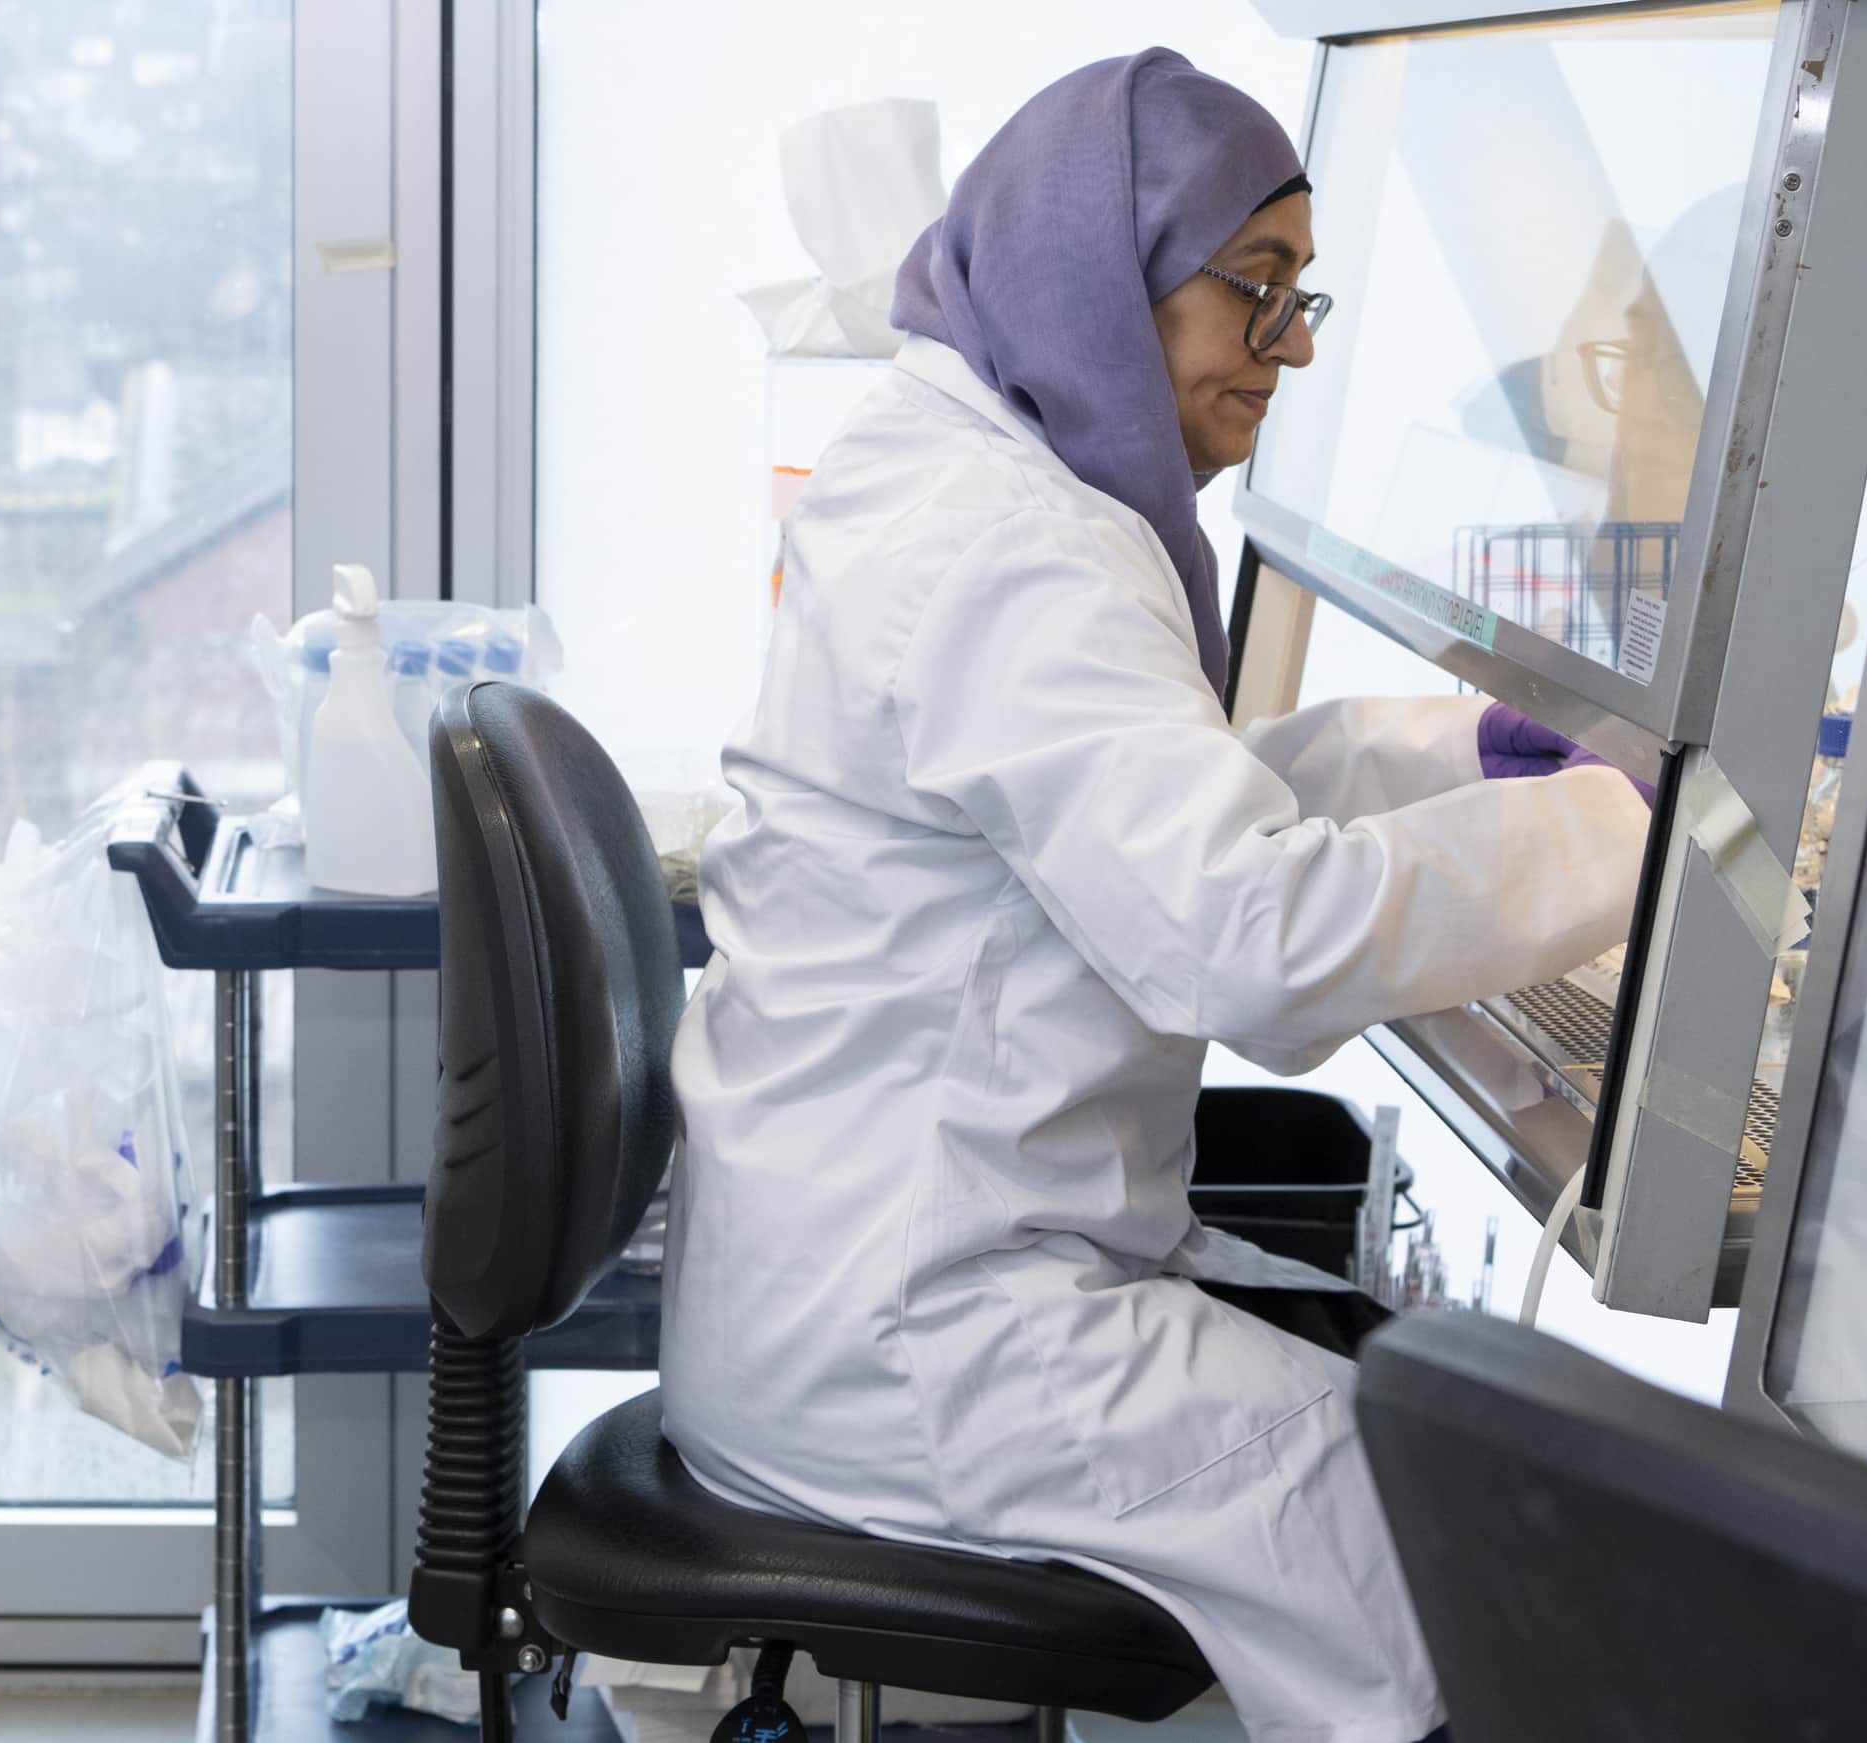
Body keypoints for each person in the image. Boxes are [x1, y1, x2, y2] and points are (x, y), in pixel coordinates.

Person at [658, 50, 1648, 1743]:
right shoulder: (1012, 542)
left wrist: (1469, 754)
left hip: (870, 1271)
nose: (1299, 346)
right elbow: (1243, 935)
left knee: (1394, 1429)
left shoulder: (976, 459)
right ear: (1093, 278)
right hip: (915, 1339)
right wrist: (1640, 844)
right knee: (1441, 1547)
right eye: (1253, 293)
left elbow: (1151, 790)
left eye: (1302, 293)